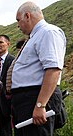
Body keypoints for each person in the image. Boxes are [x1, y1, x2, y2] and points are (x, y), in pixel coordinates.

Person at [8, 2, 66, 136]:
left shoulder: (48, 32)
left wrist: (40, 105)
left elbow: (53, 70)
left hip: (35, 98)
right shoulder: (35, 37)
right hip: (26, 100)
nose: (18, 25)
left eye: (18, 20)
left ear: (27, 16)